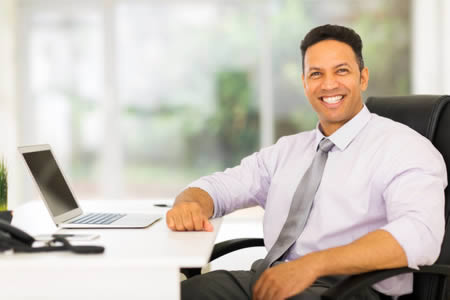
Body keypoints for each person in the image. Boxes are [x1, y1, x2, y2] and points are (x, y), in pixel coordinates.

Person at [166, 24, 447, 300]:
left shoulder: (404, 148)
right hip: (270, 280)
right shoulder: (288, 150)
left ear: (363, 78)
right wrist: (191, 203)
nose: (328, 84)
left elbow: (419, 234)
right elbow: (219, 187)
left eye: (341, 71)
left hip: (350, 290)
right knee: (183, 293)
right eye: (316, 74)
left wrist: (314, 265)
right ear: (304, 83)